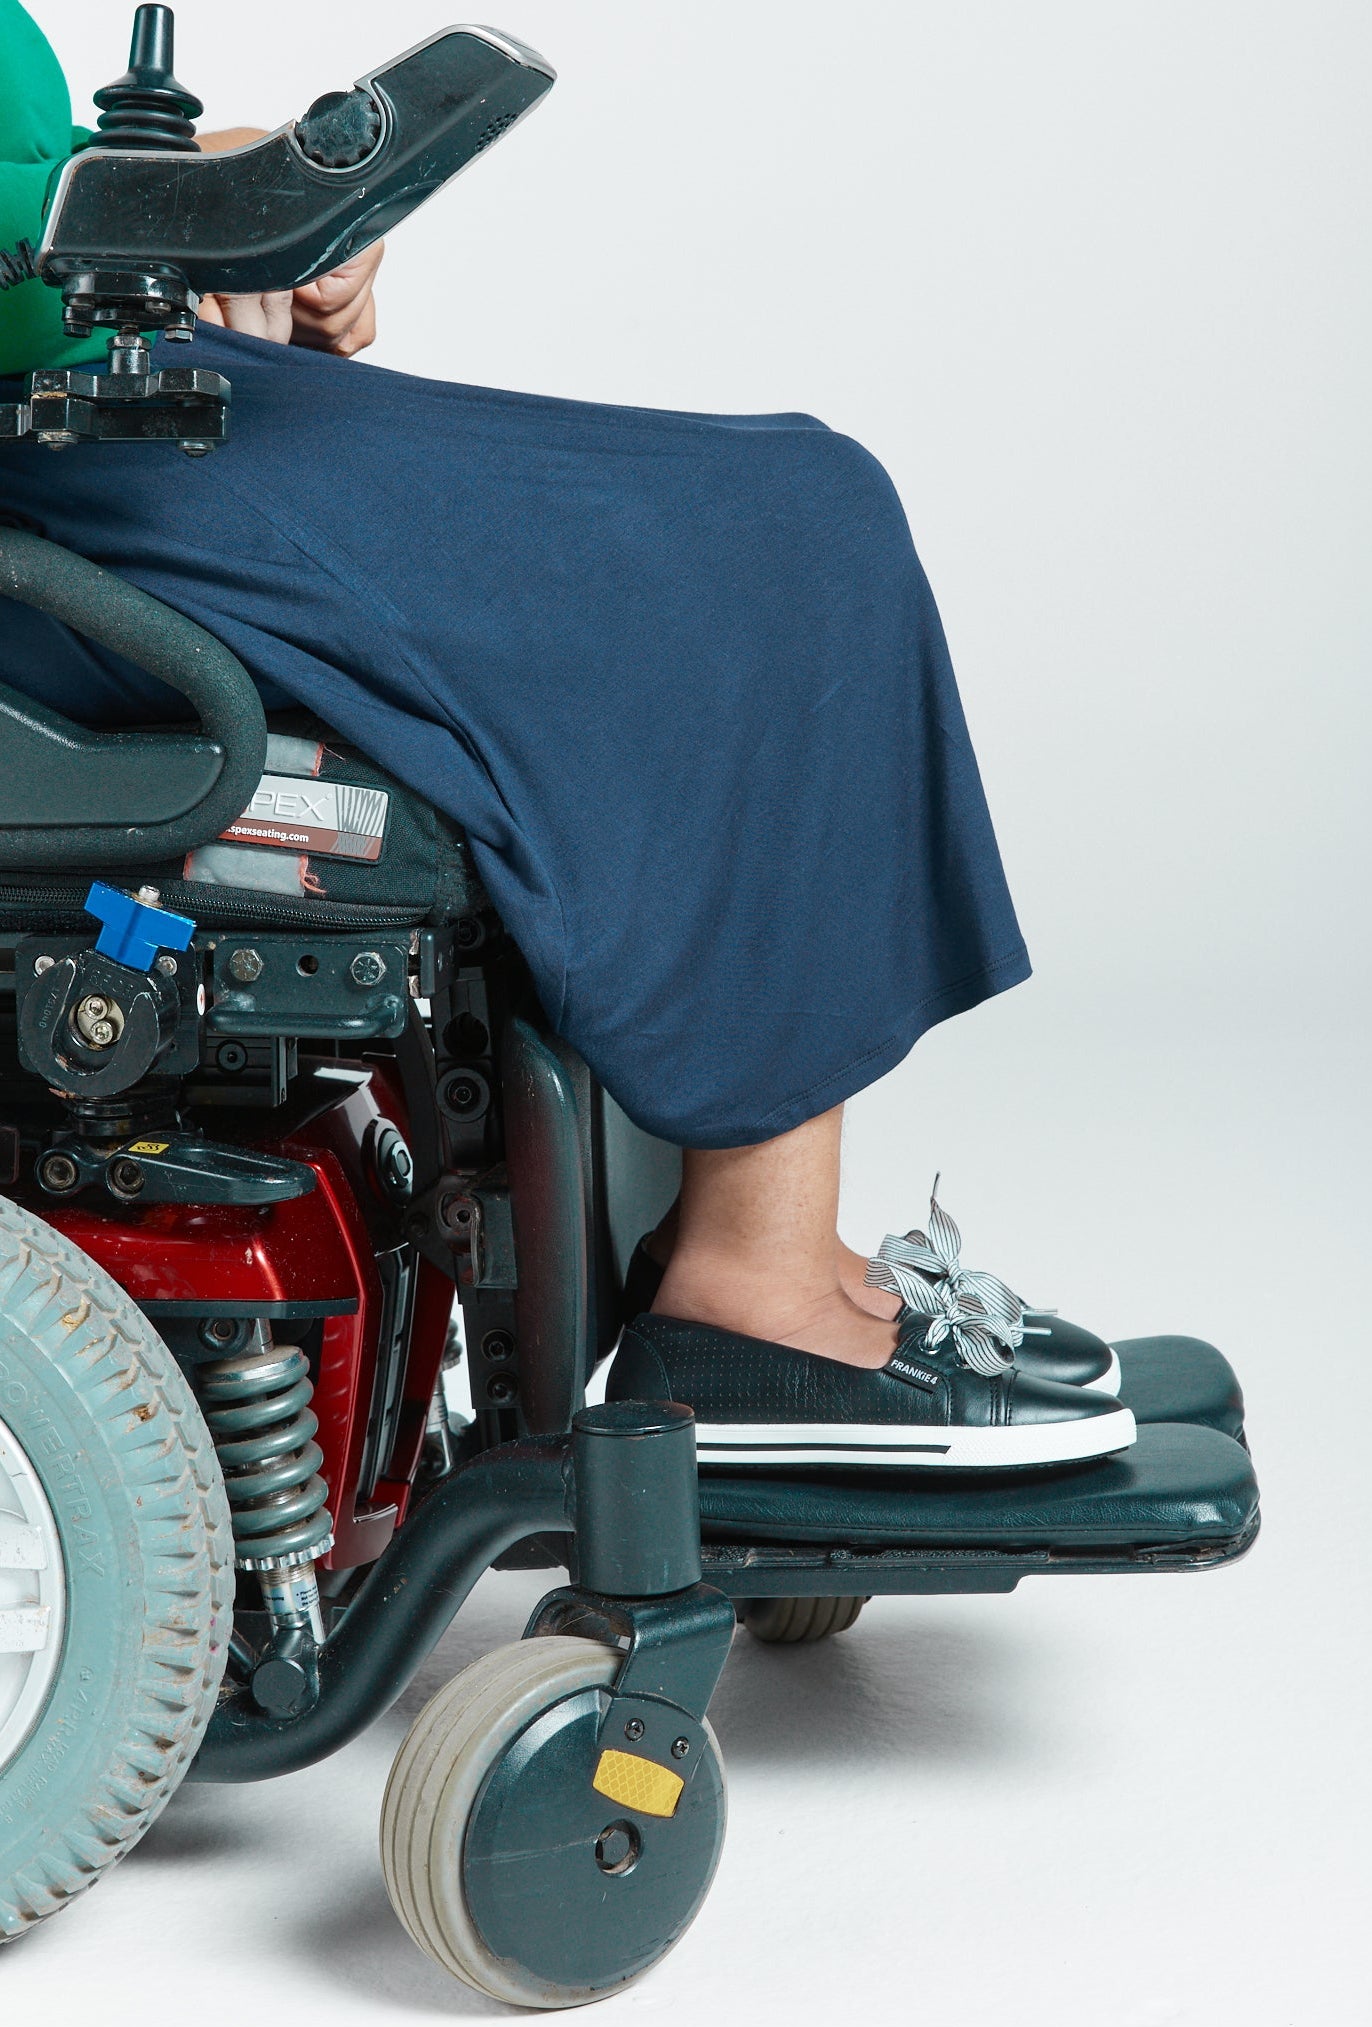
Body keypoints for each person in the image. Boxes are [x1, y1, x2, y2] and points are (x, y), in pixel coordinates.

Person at [0, 1, 1135, 1469]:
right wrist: (150, 221)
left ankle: (764, 1255)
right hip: (56, 483)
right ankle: (754, 1290)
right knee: (785, 539)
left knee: (787, 505)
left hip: (104, 402)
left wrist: (211, 201)